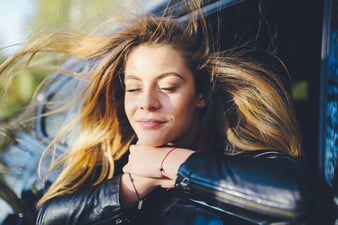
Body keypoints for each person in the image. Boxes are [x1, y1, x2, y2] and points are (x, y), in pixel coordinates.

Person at [0, 1, 336, 224]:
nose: (146, 102)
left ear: (201, 94)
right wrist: (130, 187)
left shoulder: (245, 161)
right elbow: (48, 218)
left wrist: (167, 162)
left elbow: (299, 201)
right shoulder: (112, 162)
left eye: (169, 86)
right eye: (133, 88)